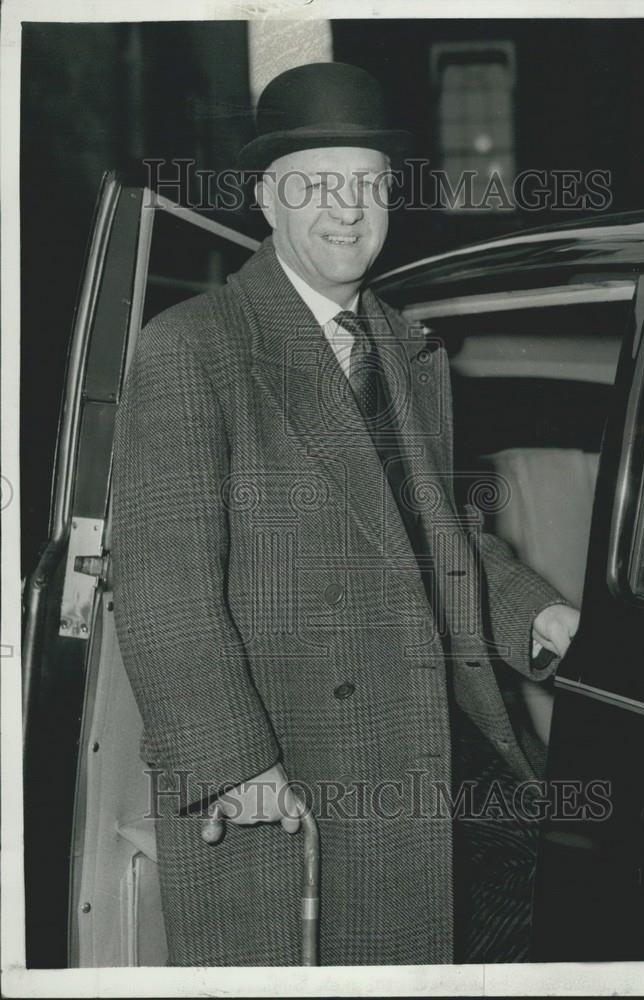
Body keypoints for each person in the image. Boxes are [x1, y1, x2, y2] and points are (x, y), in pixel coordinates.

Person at [111, 61, 579, 967]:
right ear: (265, 198)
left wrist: (536, 612)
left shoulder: (408, 349)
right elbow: (165, 588)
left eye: (368, 184)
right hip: (293, 767)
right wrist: (234, 763)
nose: (347, 209)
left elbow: (438, 532)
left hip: (426, 739)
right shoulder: (194, 348)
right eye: (315, 184)